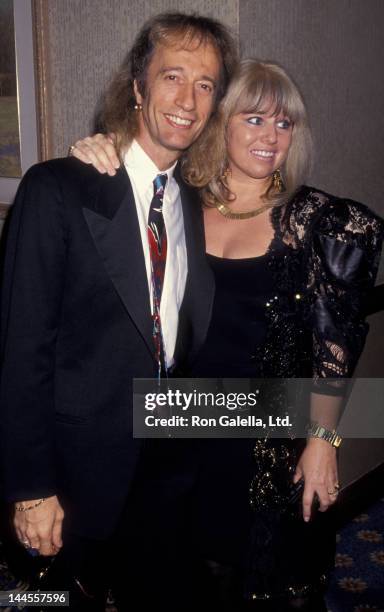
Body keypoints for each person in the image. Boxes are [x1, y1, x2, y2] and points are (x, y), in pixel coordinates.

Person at [71, 59, 384, 611]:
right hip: (181, 429)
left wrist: (323, 441)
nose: (271, 137)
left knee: (269, 586)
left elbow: (337, 345)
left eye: (284, 124)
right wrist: (104, 150)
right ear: (221, 124)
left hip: (269, 443)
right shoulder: (178, 202)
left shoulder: (321, 223)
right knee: (179, 580)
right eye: (255, 118)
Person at [0, 12, 238, 611]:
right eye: (172, 77)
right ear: (137, 87)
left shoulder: (188, 197)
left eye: (206, 84)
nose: (188, 99)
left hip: (162, 467)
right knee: (47, 605)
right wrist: (30, 490)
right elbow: (20, 351)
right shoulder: (57, 190)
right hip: (73, 478)